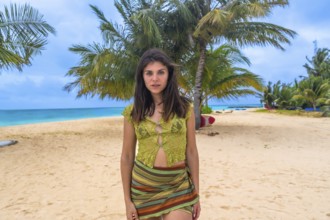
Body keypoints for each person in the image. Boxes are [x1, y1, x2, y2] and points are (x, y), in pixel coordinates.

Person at [121, 48, 201, 220]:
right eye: (149, 73)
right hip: (144, 189)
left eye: (160, 72)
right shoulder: (133, 113)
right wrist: (128, 201)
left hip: (178, 186)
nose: (154, 78)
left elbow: (192, 152)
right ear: (142, 77)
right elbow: (127, 156)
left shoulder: (185, 109)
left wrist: (196, 193)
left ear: (169, 75)